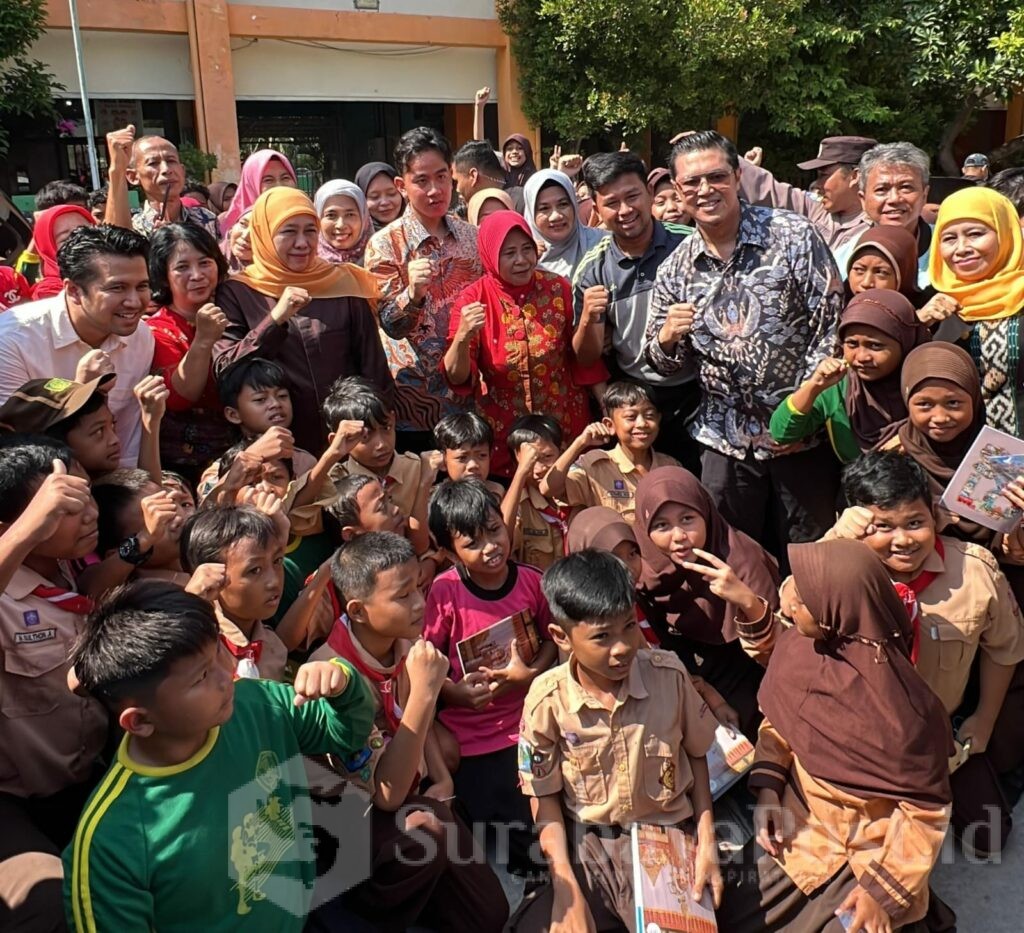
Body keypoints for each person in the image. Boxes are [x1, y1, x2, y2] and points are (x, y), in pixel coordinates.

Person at [62, 581, 376, 932]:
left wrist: (343, 684)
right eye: (201, 676)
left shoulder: (257, 704)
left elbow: (346, 732)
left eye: (218, 653)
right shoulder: (112, 842)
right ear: (140, 721)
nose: (227, 675)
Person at [717, 538, 953, 933]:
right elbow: (780, 724)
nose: (788, 607)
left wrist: (880, 893)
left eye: (802, 602)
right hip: (797, 831)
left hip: (868, 855)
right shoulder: (803, 648)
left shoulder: (905, 716)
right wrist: (770, 791)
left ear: (835, 615)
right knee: (723, 916)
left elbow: (925, 814)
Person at [645, 129, 844, 552]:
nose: (705, 190)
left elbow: (830, 326)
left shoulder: (792, 236)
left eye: (716, 177)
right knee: (734, 558)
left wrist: (798, 415)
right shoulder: (676, 269)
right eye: (692, 183)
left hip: (800, 437)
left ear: (737, 176)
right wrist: (666, 338)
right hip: (724, 439)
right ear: (678, 191)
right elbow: (661, 363)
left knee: (810, 556)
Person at [509, 549, 721, 933]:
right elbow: (543, 797)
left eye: (628, 627)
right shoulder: (547, 700)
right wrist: (565, 886)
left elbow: (699, 755)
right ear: (561, 636)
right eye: (602, 637)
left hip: (667, 836)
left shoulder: (669, 676)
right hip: (589, 846)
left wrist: (706, 841)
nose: (622, 647)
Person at [824, 452, 1024, 859]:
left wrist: (982, 721)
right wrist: (834, 547)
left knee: (989, 839)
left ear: (934, 515)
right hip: (862, 739)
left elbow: (1005, 650)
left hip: (939, 737)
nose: (902, 541)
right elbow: (791, 617)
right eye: (883, 526)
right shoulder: (836, 571)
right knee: (864, 849)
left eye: (915, 523)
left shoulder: (974, 570)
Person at [310, 532, 509, 932]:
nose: (420, 604)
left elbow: (419, 720)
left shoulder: (402, 639)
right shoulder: (335, 677)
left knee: (490, 916)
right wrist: (425, 691)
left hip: (412, 795)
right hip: (351, 820)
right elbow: (385, 796)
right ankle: (366, 913)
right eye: (402, 597)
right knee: (426, 838)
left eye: (418, 587)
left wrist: (442, 778)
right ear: (358, 611)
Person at [424, 478, 557, 876]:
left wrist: (529, 674)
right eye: (473, 543)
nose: (491, 548)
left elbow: (554, 639)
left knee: (549, 806)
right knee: (503, 822)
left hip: (531, 717)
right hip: (473, 733)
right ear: (450, 553)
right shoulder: (444, 593)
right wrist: (454, 694)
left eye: (495, 531)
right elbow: (426, 664)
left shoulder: (532, 581)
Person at [0, 439, 106, 933]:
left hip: (90, 778)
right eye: (64, 506)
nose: (88, 513)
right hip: (15, 801)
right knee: (49, 907)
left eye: (84, 496)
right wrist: (29, 528)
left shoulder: (68, 565)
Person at [213, 187, 392, 454]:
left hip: (349, 443)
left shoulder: (342, 283)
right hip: (279, 449)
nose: (302, 243)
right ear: (263, 233)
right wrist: (274, 320)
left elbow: (374, 369)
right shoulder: (238, 291)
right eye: (288, 231)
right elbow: (225, 366)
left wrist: (375, 433)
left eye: (310, 230)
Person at [444, 210, 606, 477]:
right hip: (504, 435)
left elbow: (581, 358)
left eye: (526, 249)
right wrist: (462, 337)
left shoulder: (558, 288)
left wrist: (605, 403)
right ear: (490, 255)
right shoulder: (472, 299)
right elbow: (458, 377)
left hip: (563, 426)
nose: (521, 260)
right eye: (509, 253)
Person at [633, 466, 779, 738]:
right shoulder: (645, 571)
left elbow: (782, 647)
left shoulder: (741, 560)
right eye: (662, 525)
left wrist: (745, 600)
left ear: (707, 514)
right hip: (687, 671)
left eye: (688, 519)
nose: (678, 537)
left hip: (749, 663)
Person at [572, 151, 697, 468]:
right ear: (596, 209)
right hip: (638, 399)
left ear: (650, 194)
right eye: (612, 202)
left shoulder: (691, 245)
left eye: (633, 196)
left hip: (699, 391)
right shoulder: (593, 270)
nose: (625, 210)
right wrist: (588, 317)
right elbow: (585, 358)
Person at [364, 128, 482, 451]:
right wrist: (412, 295)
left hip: (468, 397)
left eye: (442, 177)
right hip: (413, 405)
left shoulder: (472, 238)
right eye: (422, 181)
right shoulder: (384, 245)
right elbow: (390, 324)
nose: (435, 190)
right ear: (401, 186)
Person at [0, 225, 155, 467]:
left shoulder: (140, 337)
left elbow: (127, 440)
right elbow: (14, 450)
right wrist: (80, 390)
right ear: (73, 290)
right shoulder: (12, 341)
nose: (134, 302)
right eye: (117, 288)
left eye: (142, 286)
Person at [770, 288, 930, 463]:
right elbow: (782, 433)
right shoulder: (839, 383)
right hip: (860, 485)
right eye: (852, 344)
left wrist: (913, 438)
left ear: (905, 342)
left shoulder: (929, 380)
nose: (862, 357)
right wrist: (814, 386)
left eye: (875, 346)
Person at [929, 185, 1024, 436]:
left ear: (1005, 233)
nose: (961, 248)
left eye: (975, 234)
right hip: (958, 463)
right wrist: (918, 322)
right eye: (949, 238)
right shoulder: (931, 303)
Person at [145, 224, 232, 482]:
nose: (197, 275)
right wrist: (203, 340)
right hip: (187, 465)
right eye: (182, 267)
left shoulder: (236, 308)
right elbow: (181, 397)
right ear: (163, 276)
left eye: (205, 263)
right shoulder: (157, 329)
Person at [180, 505, 294, 681]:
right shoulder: (194, 644)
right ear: (213, 576)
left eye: (277, 561)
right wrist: (188, 606)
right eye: (254, 570)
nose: (274, 581)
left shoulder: (274, 649)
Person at [323, 375, 434, 555]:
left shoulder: (418, 469)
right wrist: (331, 456)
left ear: (393, 419)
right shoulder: (335, 483)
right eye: (365, 437)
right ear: (337, 440)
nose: (381, 444)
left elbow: (436, 531)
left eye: (386, 428)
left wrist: (432, 559)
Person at [546, 381, 674, 524]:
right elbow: (549, 488)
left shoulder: (670, 467)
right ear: (609, 425)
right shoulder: (594, 466)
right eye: (631, 417)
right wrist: (580, 443)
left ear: (659, 419)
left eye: (649, 416)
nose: (642, 424)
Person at [738, 134, 877, 250]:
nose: (817, 184)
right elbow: (766, 189)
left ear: (854, 176)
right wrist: (744, 171)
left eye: (823, 175)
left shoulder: (880, 226)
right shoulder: (815, 209)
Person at [833, 141, 935, 290]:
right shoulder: (843, 259)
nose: (894, 199)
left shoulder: (949, 249)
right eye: (882, 189)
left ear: (924, 195)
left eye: (906, 187)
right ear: (863, 199)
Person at [103, 126, 219, 238]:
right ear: (133, 176)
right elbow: (114, 246)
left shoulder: (206, 219)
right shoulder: (134, 227)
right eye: (153, 163)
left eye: (171, 161)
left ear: (182, 171)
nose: (166, 170)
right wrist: (116, 171)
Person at [501, 414, 568, 571]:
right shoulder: (517, 503)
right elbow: (502, 541)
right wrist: (521, 472)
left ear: (563, 450)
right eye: (530, 461)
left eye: (546, 457)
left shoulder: (580, 487)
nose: (538, 470)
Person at [524, 169, 608, 281]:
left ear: (574, 204)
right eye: (544, 208)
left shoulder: (604, 244)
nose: (556, 216)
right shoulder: (521, 257)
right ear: (531, 213)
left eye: (563, 204)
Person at [218, 147, 298, 238]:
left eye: (285, 178)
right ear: (251, 185)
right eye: (268, 180)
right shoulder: (238, 232)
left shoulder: (305, 217)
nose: (279, 185)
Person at [29, 204, 95, 300]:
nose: (81, 240)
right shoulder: (48, 292)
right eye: (67, 238)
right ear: (48, 248)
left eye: (86, 231)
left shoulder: (115, 270)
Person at [453, 140, 525, 213]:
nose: (457, 189)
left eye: (456, 181)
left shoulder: (522, 201)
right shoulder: (470, 209)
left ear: (473, 176)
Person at [313, 179, 373, 266]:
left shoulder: (382, 261)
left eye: (350, 215)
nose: (340, 225)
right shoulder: (304, 265)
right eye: (331, 215)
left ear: (364, 219)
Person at [355, 160, 405, 231]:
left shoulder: (420, 230)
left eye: (391, 194)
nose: (384, 203)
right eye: (374, 197)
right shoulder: (353, 237)